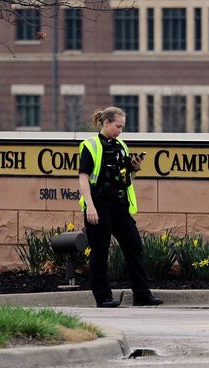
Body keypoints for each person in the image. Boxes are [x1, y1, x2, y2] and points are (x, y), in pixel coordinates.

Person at [78, 106, 163, 308]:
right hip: (99, 204)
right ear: (106, 123)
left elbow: (126, 180)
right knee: (100, 251)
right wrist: (90, 206)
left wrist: (134, 169)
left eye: (122, 127)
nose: (120, 131)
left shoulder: (122, 146)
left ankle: (142, 295)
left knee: (135, 246)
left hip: (119, 204)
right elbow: (83, 178)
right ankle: (103, 297)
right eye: (118, 126)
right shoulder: (90, 146)